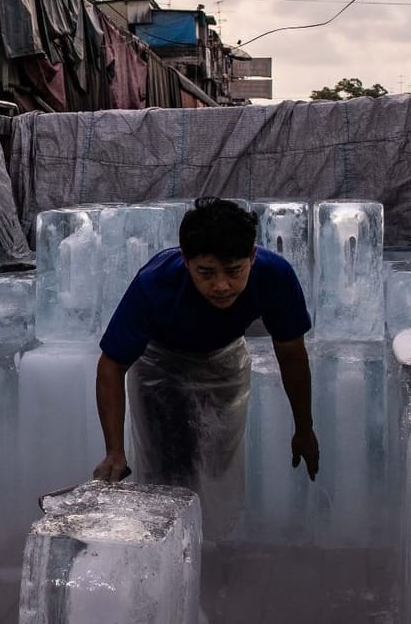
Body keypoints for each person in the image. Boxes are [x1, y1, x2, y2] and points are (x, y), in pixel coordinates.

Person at [91, 197, 318, 537]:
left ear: (252, 257)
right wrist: (114, 451)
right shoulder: (155, 284)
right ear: (186, 262)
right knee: (170, 465)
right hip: (161, 366)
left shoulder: (274, 276)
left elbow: (292, 354)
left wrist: (304, 428)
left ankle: (216, 545)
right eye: (206, 273)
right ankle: (169, 548)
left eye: (234, 271)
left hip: (222, 360)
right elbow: (111, 366)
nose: (222, 285)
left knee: (216, 463)